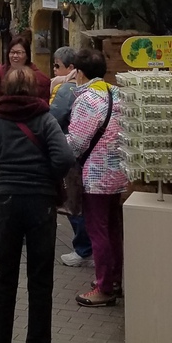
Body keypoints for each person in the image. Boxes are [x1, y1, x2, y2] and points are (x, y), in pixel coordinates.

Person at [0, 66, 75, 343]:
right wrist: (47, 178)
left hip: (6, 204)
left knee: (4, 278)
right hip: (41, 204)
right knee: (40, 280)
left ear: (6, 89)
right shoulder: (45, 119)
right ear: (32, 89)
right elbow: (64, 158)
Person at [65, 48, 125, 307]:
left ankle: (104, 288)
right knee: (113, 229)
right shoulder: (117, 93)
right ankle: (114, 280)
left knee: (97, 231)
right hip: (118, 172)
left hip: (96, 176)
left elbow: (76, 143)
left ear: (79, 72)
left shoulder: (87, 99)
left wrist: (59, 145)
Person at [48, 46, 92, 269]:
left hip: (72, 150)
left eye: (57, 66)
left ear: (72, 68)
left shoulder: (67, 90)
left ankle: (83, 249)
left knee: (74, 200)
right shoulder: (98, 90)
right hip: (94, 155)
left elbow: (52, 118)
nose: (54, 70)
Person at [0, 32, 51, 100]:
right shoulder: (1, 72)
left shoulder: (40, 78)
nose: (15, 56)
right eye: (12, 52)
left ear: (27, 56)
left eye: (19, 53)